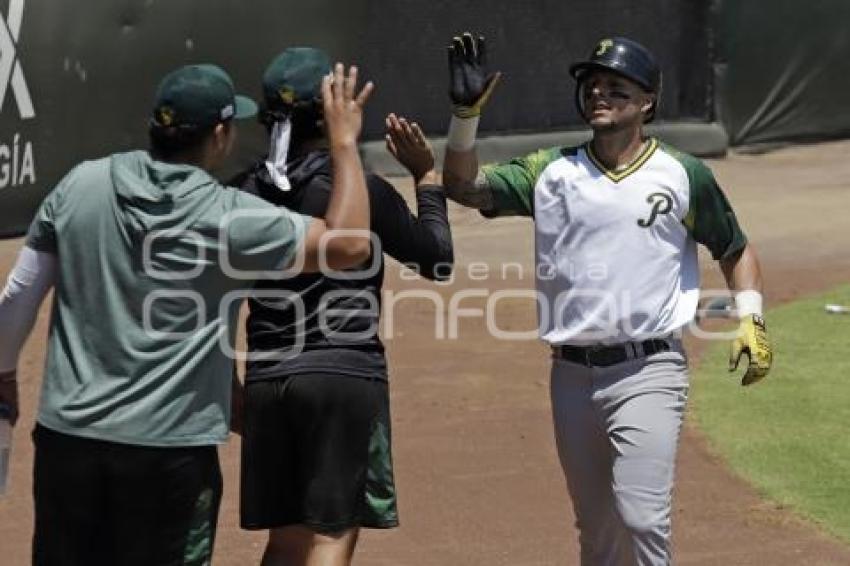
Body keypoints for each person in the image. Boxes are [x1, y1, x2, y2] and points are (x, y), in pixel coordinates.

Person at [0, 61, 374, 565]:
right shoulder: (227, 216)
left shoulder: (80, 185)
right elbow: (348, 244)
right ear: (220, 134)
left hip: (69, 443)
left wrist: (3, 374)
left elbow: (18, 295)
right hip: (168, 452)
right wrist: (345, 143)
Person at [441, 34, 773, 565]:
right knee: (597, 533)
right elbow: (462, 186)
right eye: (592, 85)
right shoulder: (549, 170)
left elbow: (735, 249)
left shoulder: (684, 175)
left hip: (650, 370)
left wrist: (751, 319)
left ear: (647, 102)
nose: (600, 93)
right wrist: (465, 116)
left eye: (616, 87)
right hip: (569, 375)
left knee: (643, 519)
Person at [231, 47, 453, 566]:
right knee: (331, 536)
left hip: (266, 378)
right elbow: (437, 262)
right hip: (342, 379)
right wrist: (425, 176)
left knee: (284, 541)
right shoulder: (363, 190)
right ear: (336, 109)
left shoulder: (239, 191)